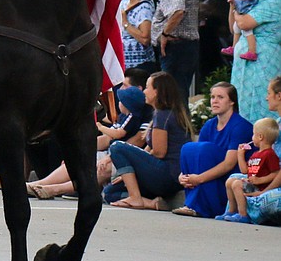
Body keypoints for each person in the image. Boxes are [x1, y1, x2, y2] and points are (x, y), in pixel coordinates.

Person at [26, 85, 152, 199]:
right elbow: (107, 139)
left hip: (127, 158)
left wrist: (109, 155)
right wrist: (81, 149)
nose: (146, 91)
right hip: (113, 151)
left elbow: (136, 143)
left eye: (149, 87)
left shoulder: (144, 116)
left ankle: (54, 189)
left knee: (102, 167)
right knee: (78, 156)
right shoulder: (125, 116)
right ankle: (38, 184)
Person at [105, 71, 192, 210]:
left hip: (168, 175)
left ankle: (136, 198)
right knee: (110, 193)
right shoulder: (159, 113)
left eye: (147, 87)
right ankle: (151, 203)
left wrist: (138, 169)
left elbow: (159, 153)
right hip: (161, 174)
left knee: (117, 147)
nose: (144, 91)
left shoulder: (163, 115)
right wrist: (129, 174)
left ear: (157, 92)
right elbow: (147, 150)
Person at [171, 81, 254, 218]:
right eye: (213, 97)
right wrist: (183, 175)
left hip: (231, 182)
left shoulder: (240, 126)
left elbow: (229, 164)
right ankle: (191, 205)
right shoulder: (209, 125)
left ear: (232, 102)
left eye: (220, 97)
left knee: (205, 149)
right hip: (209, 177)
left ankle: (199, 206)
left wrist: (199, 179)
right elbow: (195, 155)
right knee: (188, 148)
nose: (215, 101)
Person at [229, 0, 281, 123]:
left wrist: (238, 9)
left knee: (259, 106)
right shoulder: (257, 1)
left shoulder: (274, 3)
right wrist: (233, 6)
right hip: (246, 65)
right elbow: (234, 27)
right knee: (242, 106)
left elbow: (244, 23)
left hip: (263, 63)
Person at [149, 0, 200, 97]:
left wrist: (164, 34)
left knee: (170, 97)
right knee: (176, 95)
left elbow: (178, 11)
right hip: (182, 47)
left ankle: (175, 120)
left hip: (176, 47)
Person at [216, 118, 280, 223]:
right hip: (253, 184)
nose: (252, 137)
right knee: (230, 182)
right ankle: (231, 211)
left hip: (260, 187)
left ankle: (243, 215)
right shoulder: (256, 154)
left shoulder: (269, 154)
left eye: (254, 134)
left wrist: (260, 180)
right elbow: (245, 170)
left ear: (260, 137)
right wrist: (240, 155)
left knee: (237, 184)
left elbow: (276, 173)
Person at [118, 0, 156, 74]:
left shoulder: (144, 8)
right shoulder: (123, 3)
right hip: (123, 64)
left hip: (139, 65)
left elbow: (145, 38)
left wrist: (126, 23)